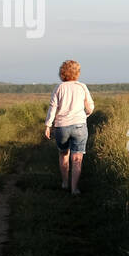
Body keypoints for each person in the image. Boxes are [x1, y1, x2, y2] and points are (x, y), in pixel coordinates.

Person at [43, 60, 95, 194]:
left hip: (61, 126)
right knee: (77, 158)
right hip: (79, 125)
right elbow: (90, 107)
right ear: (77, 73)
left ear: (62, 73)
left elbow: (53, 107)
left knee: (63, 154)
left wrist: (48, 125)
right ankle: (74, 189)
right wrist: (85, 114)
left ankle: (65, 183)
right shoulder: (82, 86)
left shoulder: (59, 88)